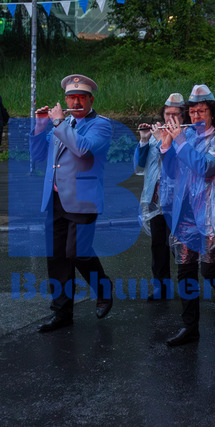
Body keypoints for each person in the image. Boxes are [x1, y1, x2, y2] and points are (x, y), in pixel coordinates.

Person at [30, 74, 114, 332]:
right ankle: (62, 312)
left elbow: (84, 150)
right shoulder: (62, 124)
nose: (75, 102)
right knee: (57, 257)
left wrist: (57, 123)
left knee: (77, 252)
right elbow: (38, 155)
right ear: (65, 100)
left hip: (83, 199)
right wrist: (40, 126)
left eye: (81, 97)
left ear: (90, 100)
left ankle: (103, 287)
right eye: (71, 98)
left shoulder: (101, 125)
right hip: (56, 199)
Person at [160, 84, 215, 346]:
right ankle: (190, 327)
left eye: (201, 111)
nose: (195, 116)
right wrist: (166, 146)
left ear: (213, 112)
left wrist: (180, 142)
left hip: (212, 214)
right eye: (192, 112)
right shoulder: (187, 136)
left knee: (209, 269)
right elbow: (172, 172)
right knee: (185, 270)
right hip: (186, 214)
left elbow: (205, 167)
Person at [134, 93, 186, 300]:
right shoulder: (157, 132)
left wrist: (159, 140)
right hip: (156, 197)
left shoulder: (185, 135)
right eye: (167, 114)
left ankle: (187, 283)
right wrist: (144, 140)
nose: (171, 118)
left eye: (176, 114)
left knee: (178, 244)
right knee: (158, 244)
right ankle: (161, 286)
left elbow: (176, 162)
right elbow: (140, 165)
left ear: (183, 115)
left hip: (178, 199)